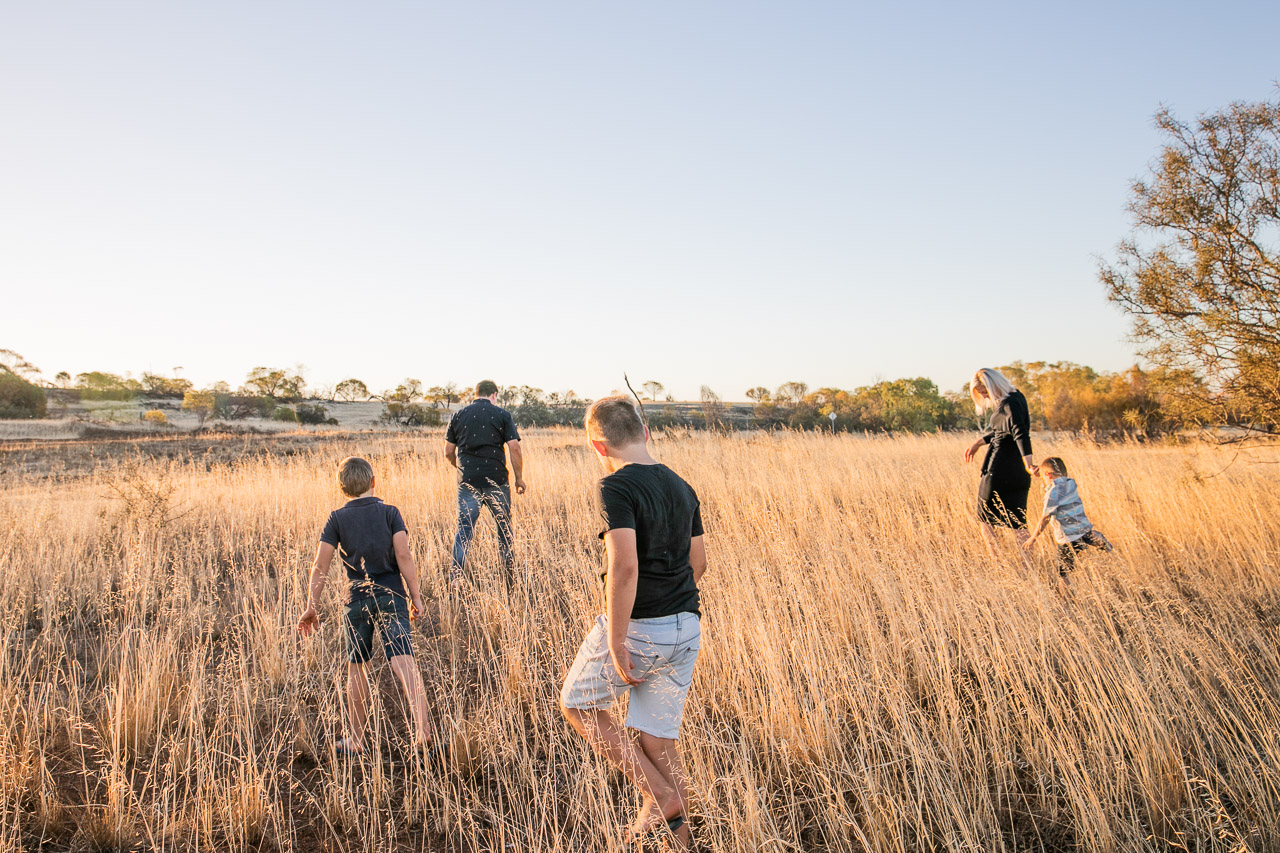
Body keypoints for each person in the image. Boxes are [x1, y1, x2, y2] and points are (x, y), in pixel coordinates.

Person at [559, 396, 706, 850]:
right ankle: (681, 836)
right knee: (656, 742)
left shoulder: (616, 488)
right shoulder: (683, 486)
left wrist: (619, 639)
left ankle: (659, 795)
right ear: (645, 432)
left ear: (597, 446)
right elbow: (698, 564)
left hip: (641, 628)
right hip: (686, 627)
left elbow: (623, 567)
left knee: (577, 705)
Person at [297, 456, 432, 755]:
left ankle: (356, 740)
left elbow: (320, 566)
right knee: (404, 662)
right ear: (374, 482)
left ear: (342, 488)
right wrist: (415, 596)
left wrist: (311, 606)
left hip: (356, 601)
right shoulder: (390, 513)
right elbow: (404, 556)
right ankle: (423, 732)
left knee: (357, 669)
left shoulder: (336, 519)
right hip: (392, 597)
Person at [443, 380, 526, 587]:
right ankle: (509, 577)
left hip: (467, 481)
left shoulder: (458, 415)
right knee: (504, 528)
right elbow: (514, 448)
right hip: (496, 480)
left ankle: (455, 579)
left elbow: (447, 452)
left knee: (464, 530)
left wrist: (460, 468)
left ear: (475, 394)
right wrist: (519, 478)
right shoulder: (502, 415)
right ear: (494, 395)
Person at [962, 368, 1035, 564]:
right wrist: (978, 443)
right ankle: (1029, 564)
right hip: (1018, 471)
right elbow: (1004, 431)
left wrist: (1029, 462)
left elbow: (1020, 433)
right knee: (1019, 522)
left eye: (985, 392)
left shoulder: (1008, 403)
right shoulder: (1017, 397)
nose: (985, 396)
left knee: (984, 519)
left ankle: (998, 563)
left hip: (999, 469)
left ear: (993, 385)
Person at [1024, 456, 1114, 581]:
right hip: (1082, 530)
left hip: (1067, 537)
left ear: (1048, 475)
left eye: (1043, 477)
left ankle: (1066, 597)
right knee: (1089, 538)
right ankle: (1099, 540)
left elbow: (1045, 518)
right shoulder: (1070, 483)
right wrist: (1045, 474)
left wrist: (1033, 538)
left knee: (1063, 573)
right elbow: (1055, 477)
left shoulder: (1052, 493)